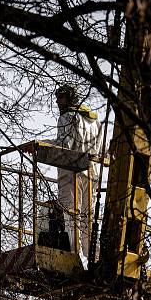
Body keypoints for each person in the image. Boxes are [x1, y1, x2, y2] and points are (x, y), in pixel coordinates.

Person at [51, 83, 101, 257]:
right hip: (92, 174)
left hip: (71, 174)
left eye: (61, 97)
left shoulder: (67, 118)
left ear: (71, 98)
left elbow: (63, 146)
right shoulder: (95, 122)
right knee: (88, 217)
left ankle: (72, 256)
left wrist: (40, 146)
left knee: (69, 215)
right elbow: (100, 150)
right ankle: (93, 256)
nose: (58, 102)